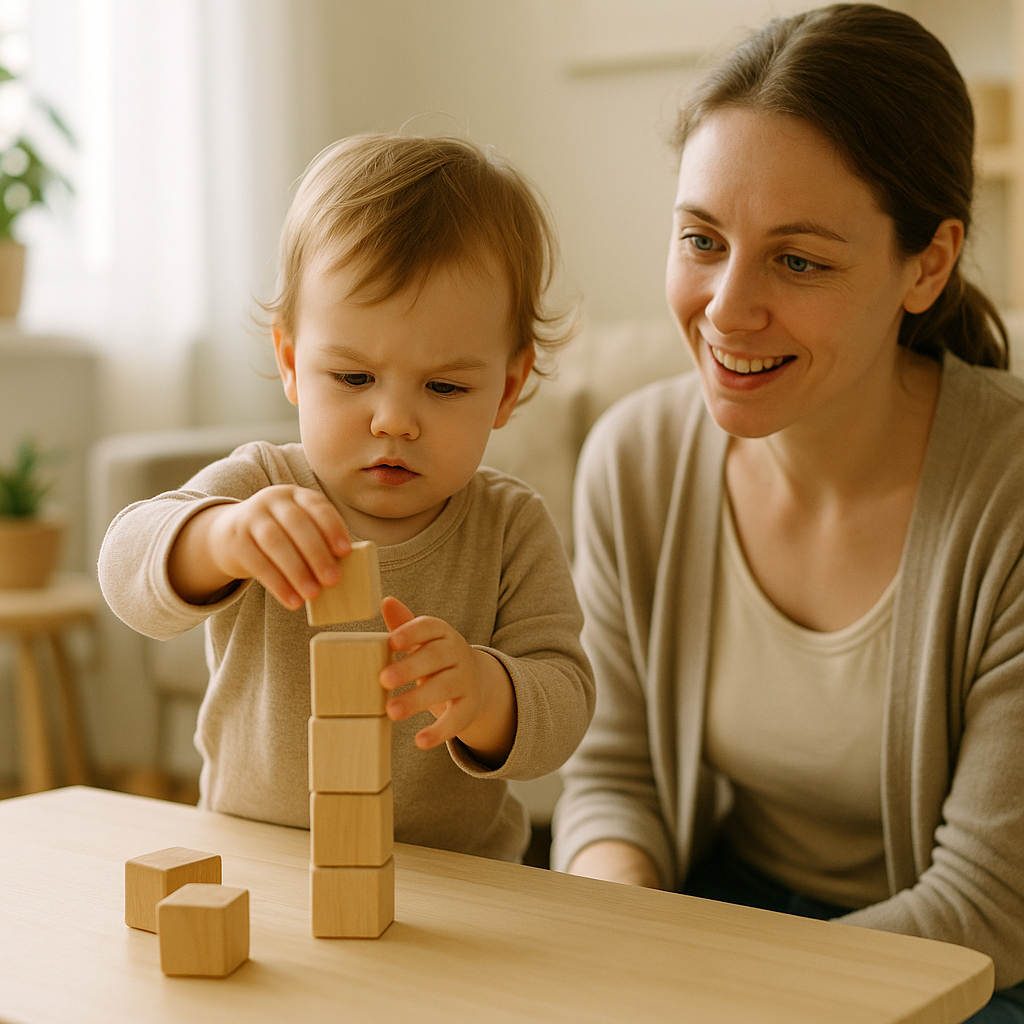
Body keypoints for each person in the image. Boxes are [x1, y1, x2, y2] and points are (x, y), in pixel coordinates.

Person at [551, 4, 1024, 1017]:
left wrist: (722, 992)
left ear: (926, 265)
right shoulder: (631, 462)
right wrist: (622, 942)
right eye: (700, 239)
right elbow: (612, 778)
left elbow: (990, 900)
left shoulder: (1010, 493)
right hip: (732, 916)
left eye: (798, 259)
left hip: (972, 966)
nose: (726, 307)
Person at [100, 133, 594, 864]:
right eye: (354, 378)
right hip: (258, 858)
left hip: (459, 883)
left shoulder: (510, 525)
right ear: (293, 364)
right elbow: (124, 568)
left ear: (507, 390)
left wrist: (487, 693)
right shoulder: (260, 490)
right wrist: (218, 538)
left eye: (446, 386)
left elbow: (565, 700)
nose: (393, 418)